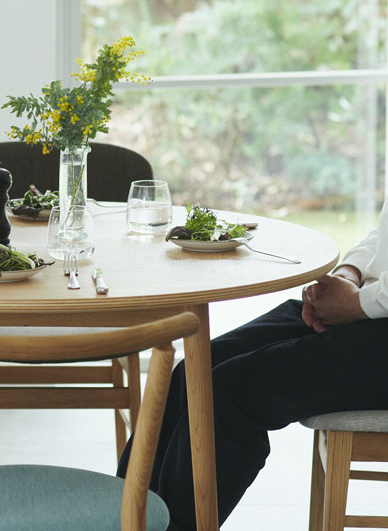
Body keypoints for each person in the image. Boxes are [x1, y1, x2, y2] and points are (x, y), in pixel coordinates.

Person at [117, 204, 388, 531]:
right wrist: (348, 275)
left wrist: (357, 304)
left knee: (226, 394)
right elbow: (382, 235)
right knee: (195, 371)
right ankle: (124, 518)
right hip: (373, 310)